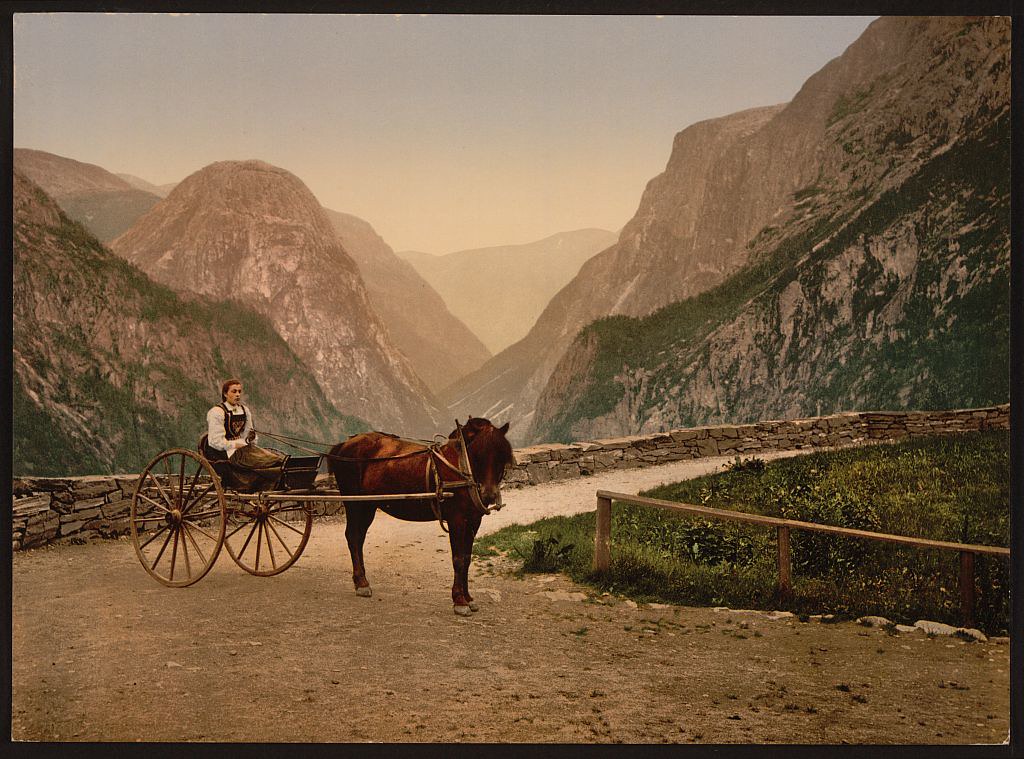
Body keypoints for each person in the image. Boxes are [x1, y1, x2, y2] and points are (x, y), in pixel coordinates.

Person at [206, 379, 286, 491]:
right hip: (228, 453)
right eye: (234, 391)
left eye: (239, 391)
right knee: (271, 461)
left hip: (244, 449)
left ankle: (277, 480)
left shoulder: (244, 410)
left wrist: (251, 438)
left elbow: (248, 433)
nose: (238, 394)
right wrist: (234, 445)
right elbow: (214, 441)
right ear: (225, 394)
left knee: (277, 459)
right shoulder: (217, 412)